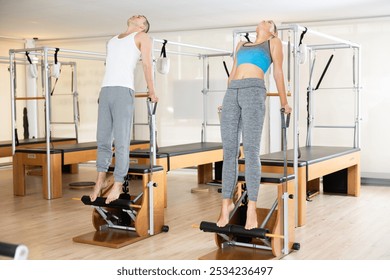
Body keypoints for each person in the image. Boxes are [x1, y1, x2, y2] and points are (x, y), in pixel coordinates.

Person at [217, 20, 292, 230]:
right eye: (265, 20)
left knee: (251, 150)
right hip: (233, 93)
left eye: (270, 22)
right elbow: (232, 74)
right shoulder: (241, 44)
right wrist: (227, 98)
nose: (266, 21)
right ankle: (226, 203)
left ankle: (252, 207)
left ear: (272, 31)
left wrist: (284, 102)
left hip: (254, 90)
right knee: (229, 150)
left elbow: (278, 72)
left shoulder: (273, 41)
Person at [90, 15, 158, 204]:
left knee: (121, 141)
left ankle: (118, 183)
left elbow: (146, 64)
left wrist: (151, 90)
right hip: (106, 90)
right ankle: (100, 180)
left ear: (142, 26)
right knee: (102, 139)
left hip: (123, 91)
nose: (135, 15)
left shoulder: (142, 37)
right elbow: (110, 67)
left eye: (140, 17)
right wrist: (103, 93)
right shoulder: (112, 40)